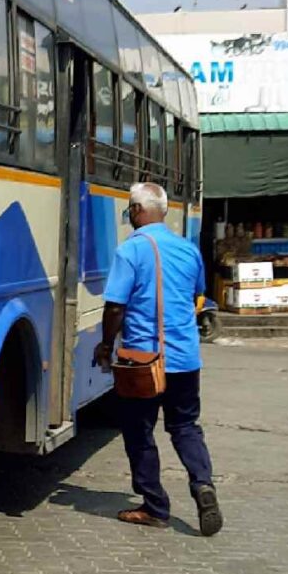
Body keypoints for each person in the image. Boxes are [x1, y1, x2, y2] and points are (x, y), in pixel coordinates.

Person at [94, 182, 223, 536]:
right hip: (185, 359)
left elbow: (116, 305)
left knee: (138, 430)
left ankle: (154, 506)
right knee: (185, 427)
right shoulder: (188, 249)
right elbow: (197, 294)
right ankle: (202, 484)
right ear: (163, 211)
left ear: (136, 211)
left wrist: (106, 344)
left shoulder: (130, 251)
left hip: (144, 360)